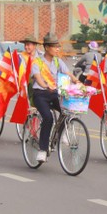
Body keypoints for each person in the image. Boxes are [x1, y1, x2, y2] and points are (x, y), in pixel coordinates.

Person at [30, 34, 79, 162]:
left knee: (67, 110)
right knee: (48, 117)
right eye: (54, 46)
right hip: (40, 94)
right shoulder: (37, 61)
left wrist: (79, 84)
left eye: (58, 46)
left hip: (55, 93)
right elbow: (38, 78)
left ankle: (60, 133)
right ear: (46, 47)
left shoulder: (58, 61)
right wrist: (46, 86)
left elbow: (68, 74)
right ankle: (42, 149)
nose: (57, 49)